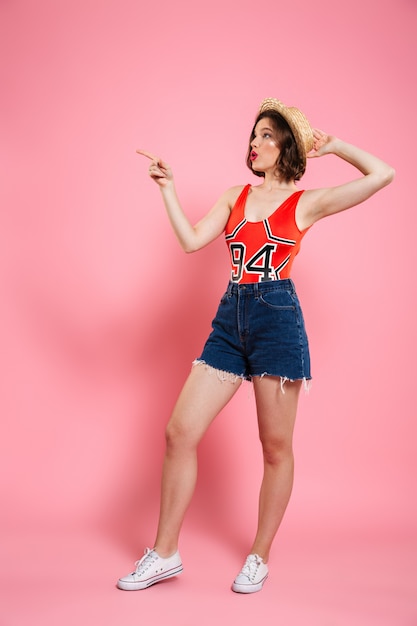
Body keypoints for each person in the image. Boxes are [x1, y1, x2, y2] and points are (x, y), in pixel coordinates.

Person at [117, 98, 395, 594]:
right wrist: (169, 190)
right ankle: (164, 553)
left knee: (275, 447)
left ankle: (259, 556)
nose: (255, 143)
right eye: (254, 135)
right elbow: (191, 241)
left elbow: (382, 174)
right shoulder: (235, 195)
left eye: (267, 135)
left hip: (277, 322)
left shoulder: (306, 202)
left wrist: (334, 147)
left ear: (287, 145)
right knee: (180, 431)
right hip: (230, 319)